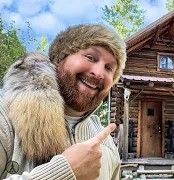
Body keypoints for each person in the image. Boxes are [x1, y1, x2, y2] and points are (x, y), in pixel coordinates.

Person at [0, 24, 126, 180]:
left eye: (109, 68)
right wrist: (62, 172)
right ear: (59, 58)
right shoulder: (5, 120)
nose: (99, 73)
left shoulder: (106, 142)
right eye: (91, 57)